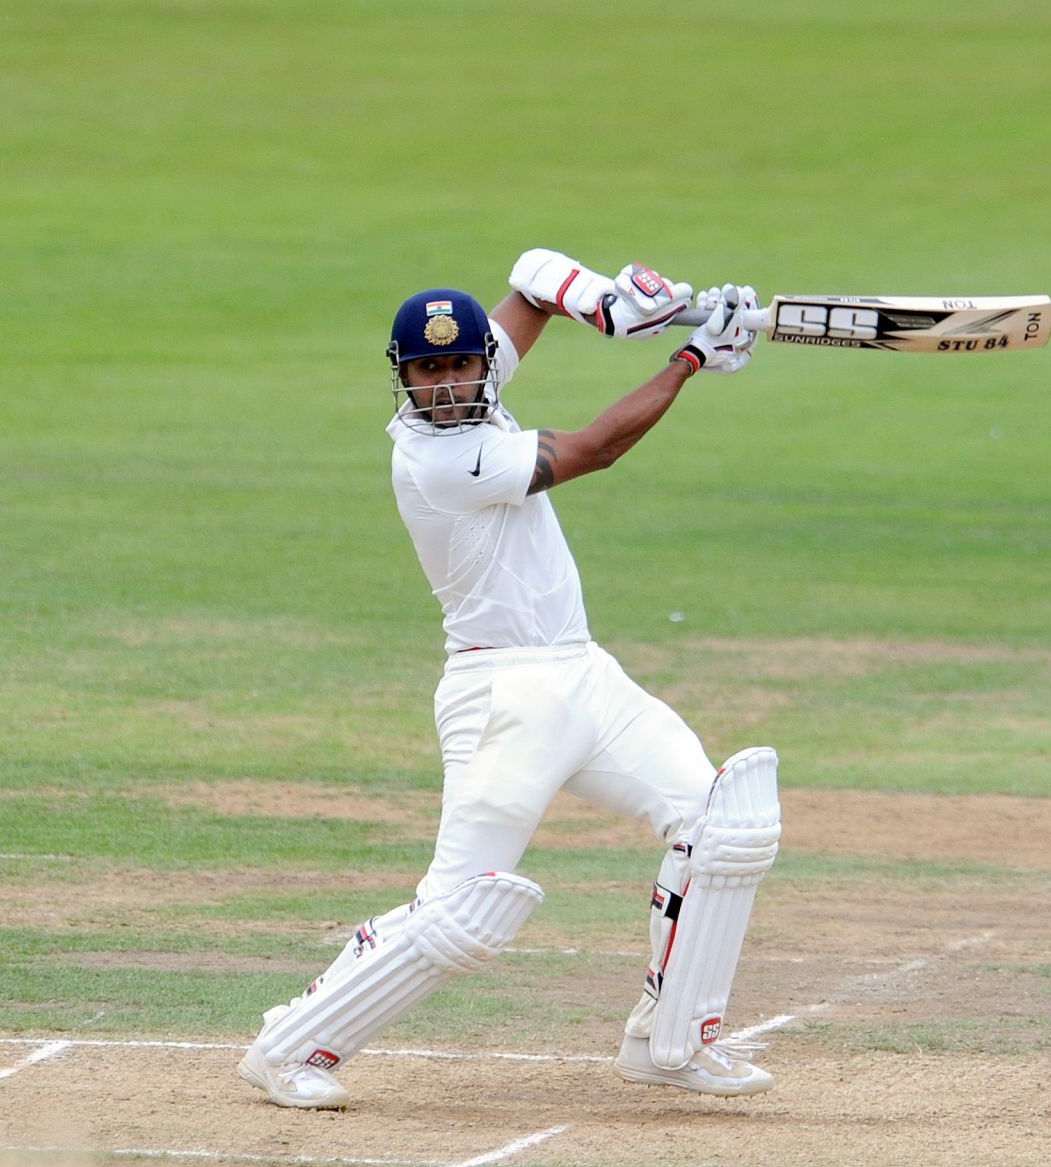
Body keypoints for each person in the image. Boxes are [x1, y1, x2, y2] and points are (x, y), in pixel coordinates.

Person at [236, 250, 782, 1110]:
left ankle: (670, 1040)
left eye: (460, 363)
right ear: (403, 380)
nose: (448, 384)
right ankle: (288, 1046)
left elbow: (533, 275)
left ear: (481, 360)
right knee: (460, 910)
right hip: (503, 698)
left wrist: (621, 304)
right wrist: (688, 357)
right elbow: (596, 449)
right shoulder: (434, 463)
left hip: (584, 674)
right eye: (428, 370)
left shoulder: (480, 386)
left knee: (727, 823)